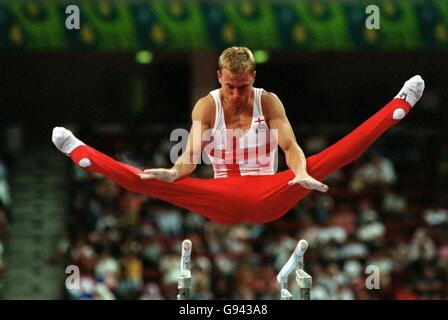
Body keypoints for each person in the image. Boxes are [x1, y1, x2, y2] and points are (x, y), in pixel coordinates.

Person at [52, 47, 425, 225]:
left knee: (331, 157)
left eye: (243, 86)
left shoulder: (270, 102)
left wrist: (299, 173)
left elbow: (291, 147)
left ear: (253, 79)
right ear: (219, 78)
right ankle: (81, 152)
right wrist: (175, 173)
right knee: (147, 180)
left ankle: (398, 107)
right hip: (222, 195)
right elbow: (192, 153)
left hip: (270, 191)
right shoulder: (206, 106)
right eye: (230, 86)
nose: (236, 94)